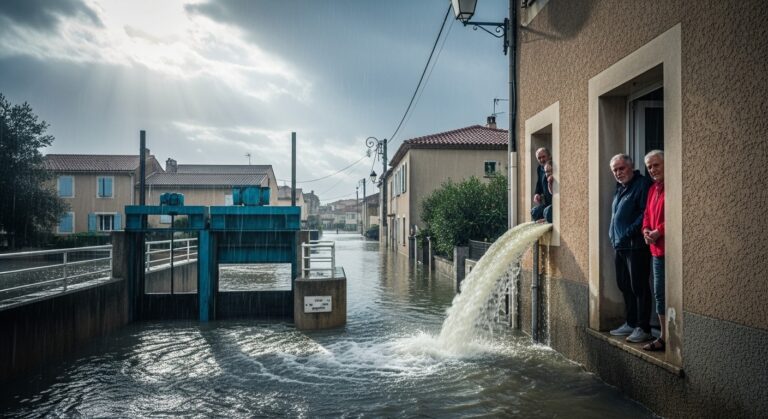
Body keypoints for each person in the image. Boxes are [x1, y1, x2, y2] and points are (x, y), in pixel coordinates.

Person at [608, 153, 653, 343]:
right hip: (621, 246)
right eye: (615, 170)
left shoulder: (641, 184)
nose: (618, 173)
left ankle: (644, 327)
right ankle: (631, 321)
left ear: (631, 167)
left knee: (639, 286)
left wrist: (628, 232)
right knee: (624, 284)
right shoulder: (621, 188)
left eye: (621, 168)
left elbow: (645, 213)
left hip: (636, 246)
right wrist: (614, 236)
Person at [641, 150, 666, 351]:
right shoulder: (652, 189)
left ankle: (669, 337)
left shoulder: (672, 186)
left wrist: (660, 230)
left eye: (656, 165)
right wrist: (646, 230)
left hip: (671, 251)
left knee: (668, 294)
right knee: (659, 294)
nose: (652, 170)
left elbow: (677, 213)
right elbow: (647, 215)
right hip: (656, 251)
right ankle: (664, 337)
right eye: (649, 166)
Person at [531, 147, 552, 221]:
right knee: (534, 212)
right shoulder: (539, 168)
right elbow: (539, 183)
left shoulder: (553, 167)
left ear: (549, 156)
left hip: (555, 203)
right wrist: (537, 194)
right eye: (539, 158)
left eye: (543, 157)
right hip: (547, 202)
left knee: (548, 212)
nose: (542, 160)